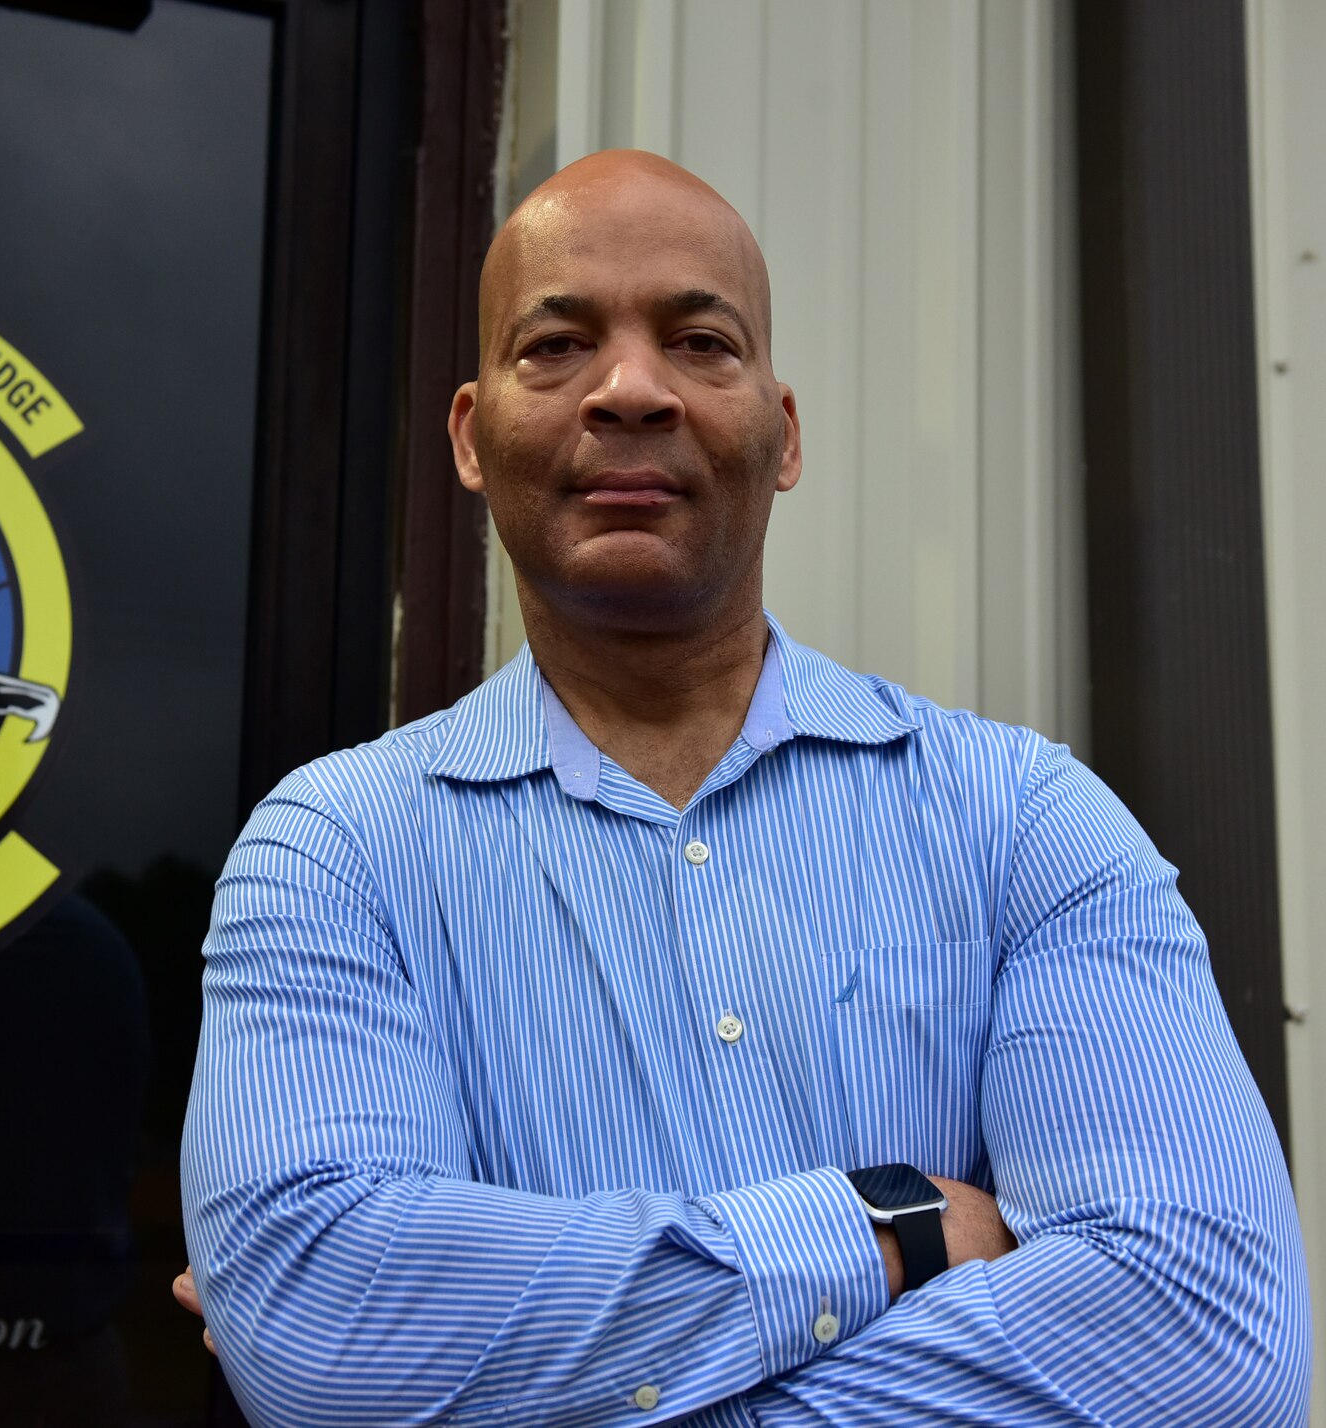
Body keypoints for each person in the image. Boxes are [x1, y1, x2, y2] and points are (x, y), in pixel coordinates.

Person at [175, 150, 1311, 1426]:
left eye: (697, 342)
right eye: (554, 346)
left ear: (782, 434)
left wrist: (524, 1373)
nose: (628, 389)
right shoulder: (336, 851)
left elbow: (1202, 1345)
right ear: (470, 437)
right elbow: (328, 1328)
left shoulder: (1018, 819)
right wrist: (889, 1229)